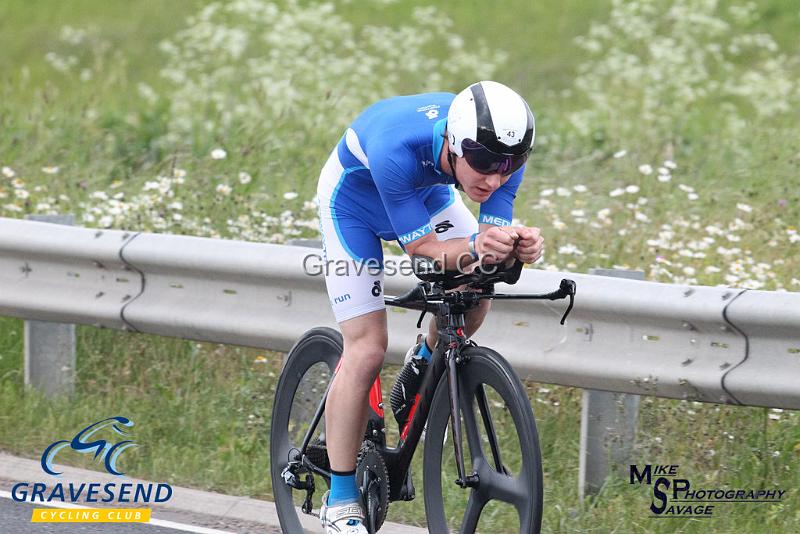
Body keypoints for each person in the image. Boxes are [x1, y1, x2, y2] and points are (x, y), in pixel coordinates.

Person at [316, 80, 544, 533]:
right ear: (455, 145)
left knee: (476, 287)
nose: (495, 179)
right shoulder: (397, 146)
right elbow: (421, 247)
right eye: (482, 163)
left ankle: (421, 366)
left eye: (510, 165)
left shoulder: (500, 154)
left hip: (426, 195)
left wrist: (517, 246)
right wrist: (479, 245)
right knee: (367, 349)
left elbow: (486, 249)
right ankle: (339, 500)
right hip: (354, 207)